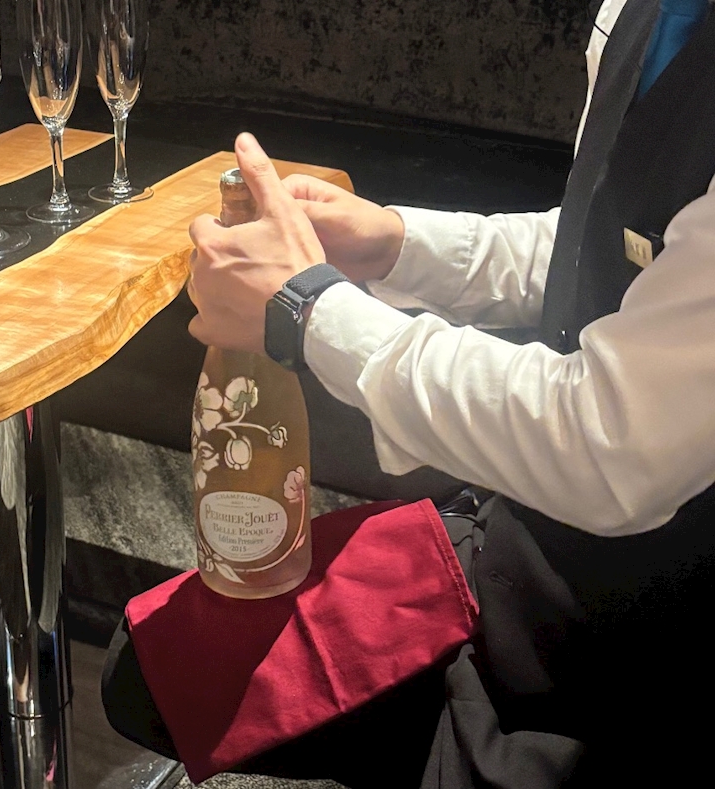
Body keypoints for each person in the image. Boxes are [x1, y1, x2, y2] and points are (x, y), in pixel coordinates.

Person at [103, 0, 715, 785]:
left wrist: (309, 313)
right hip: (519, 554)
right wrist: (397, 246)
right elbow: (613, 245)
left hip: (636, 656)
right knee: (150, 668)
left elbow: (609, 444)